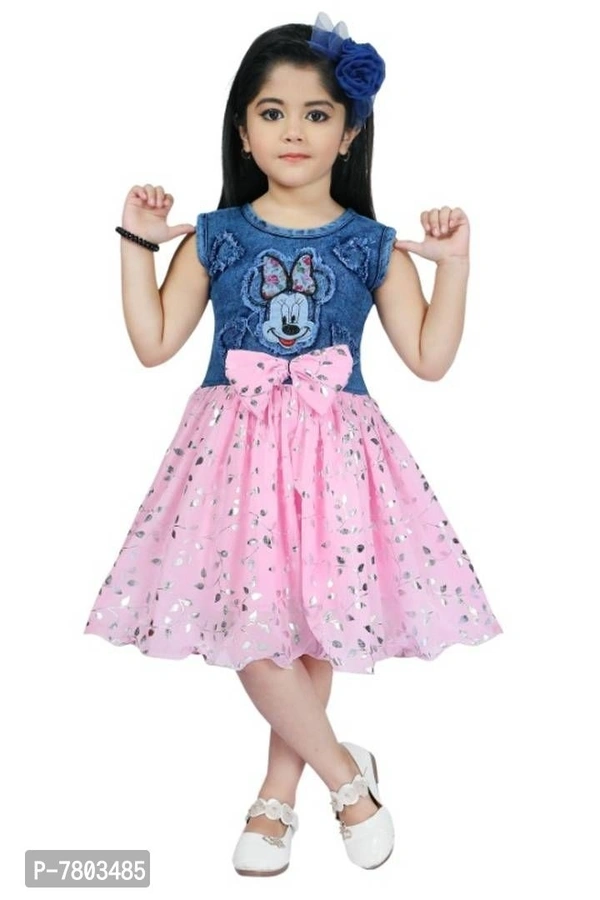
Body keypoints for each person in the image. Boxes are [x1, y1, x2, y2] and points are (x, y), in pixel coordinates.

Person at [84, 11, 503, 877]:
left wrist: (456, 265)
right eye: (272, 112)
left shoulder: (372, 247)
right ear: (242, 128)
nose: (294, 131)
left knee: (308, 631)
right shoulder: (217, 235)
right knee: (255, 627)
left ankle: (275, 799)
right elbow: (154, 341)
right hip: (230, 459)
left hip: (337, 457)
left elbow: (429, 359)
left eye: (316, 114)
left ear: (350, 133)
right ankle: (348, 778)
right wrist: (135, 244)